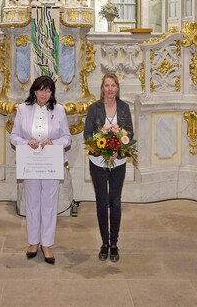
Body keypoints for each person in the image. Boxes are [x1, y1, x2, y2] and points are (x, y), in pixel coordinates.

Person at [8, 76, 71, 265]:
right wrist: (27, 142)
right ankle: (33, 242)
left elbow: (67, 138)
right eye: (41, 90)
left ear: (52, 93)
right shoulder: (23, 109)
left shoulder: (59, 111)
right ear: (34, 91)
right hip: (32, 162)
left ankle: (47, 244)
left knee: (49, 204)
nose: (45, 94)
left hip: (51, 163)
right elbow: (14, 136)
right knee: (33, 202)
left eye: (48, 90)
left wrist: (54, 142)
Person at [83, 73, 134, 263]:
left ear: (117, 88)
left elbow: (129, 132)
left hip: (118, 162)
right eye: (107, 85)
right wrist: (102, 150)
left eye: (113, 85)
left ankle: (114, 243)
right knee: (102, 202)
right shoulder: (94, 108)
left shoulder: (124, 108)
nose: (110, 89)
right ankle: (104, 242)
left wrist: (117, 151)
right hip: (98, 162)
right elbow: (88, 134)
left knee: (116, 202)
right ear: (102, 88)